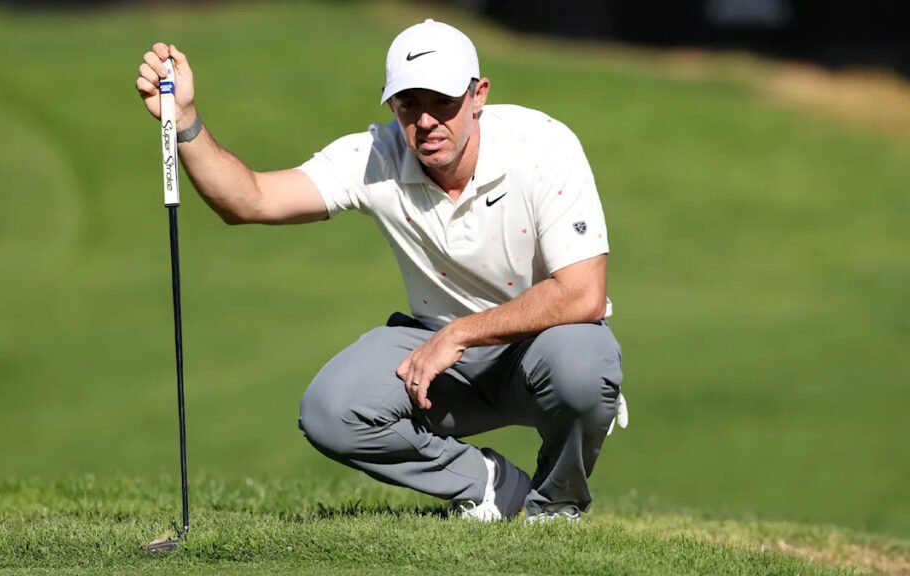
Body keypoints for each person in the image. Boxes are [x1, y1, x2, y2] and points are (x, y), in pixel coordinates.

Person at [136, 18, 626, 523]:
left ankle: (556, 507)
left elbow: (582, 295)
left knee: (584, 364)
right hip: (441, 362)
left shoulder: (542, 145)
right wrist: (186, 120)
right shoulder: (376, 154)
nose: (426, 121)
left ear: (478, 96)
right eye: (409, 103)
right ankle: (489, 486)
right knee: (331, 410)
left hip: (538, 349)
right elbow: (249, 200)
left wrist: (459, 333)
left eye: (443, 102)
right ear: (392, 105)